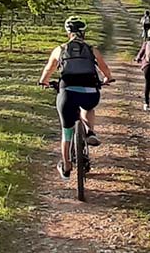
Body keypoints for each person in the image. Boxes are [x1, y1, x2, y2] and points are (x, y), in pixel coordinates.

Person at [39, 16, 115, 180]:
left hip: (67, 93)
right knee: (88, 108)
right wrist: (107, 79)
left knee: (66, 131)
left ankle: (66, 166)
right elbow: (105, 69)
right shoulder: (92, 49)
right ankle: (89, 130)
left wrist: (44, 81)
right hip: (90, 93)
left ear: (68, 33)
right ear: (84, 32)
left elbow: (48, 70)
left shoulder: (59, 49)